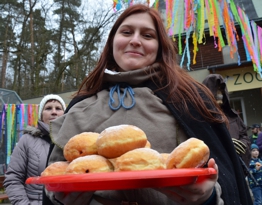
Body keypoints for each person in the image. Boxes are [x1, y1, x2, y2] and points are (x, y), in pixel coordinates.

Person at [44, 4, 252, 205]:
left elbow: (222, 175)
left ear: (160, 47)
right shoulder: (81, 105)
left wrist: (206, 198)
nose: (135, 40)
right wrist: (59, 199)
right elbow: (55, 174)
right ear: (112, 43)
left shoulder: (189, 98)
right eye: (126, 32)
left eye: (147, 35)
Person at [4, 94, 66, 205]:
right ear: (41, 115)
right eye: (48, 108)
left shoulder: (72, 142)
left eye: (58, 108)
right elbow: (13, 179)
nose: (54, 112)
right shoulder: (27, 141)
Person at [202, 74, 251, 167]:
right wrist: (226, 143)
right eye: (216, 89)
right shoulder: (201, 117)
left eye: (221, 89)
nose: (219, 93)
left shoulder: (233, 116)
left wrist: (242, 144)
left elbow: (244, 135)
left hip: (237, 166)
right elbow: (200, 144)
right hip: (217, 170)